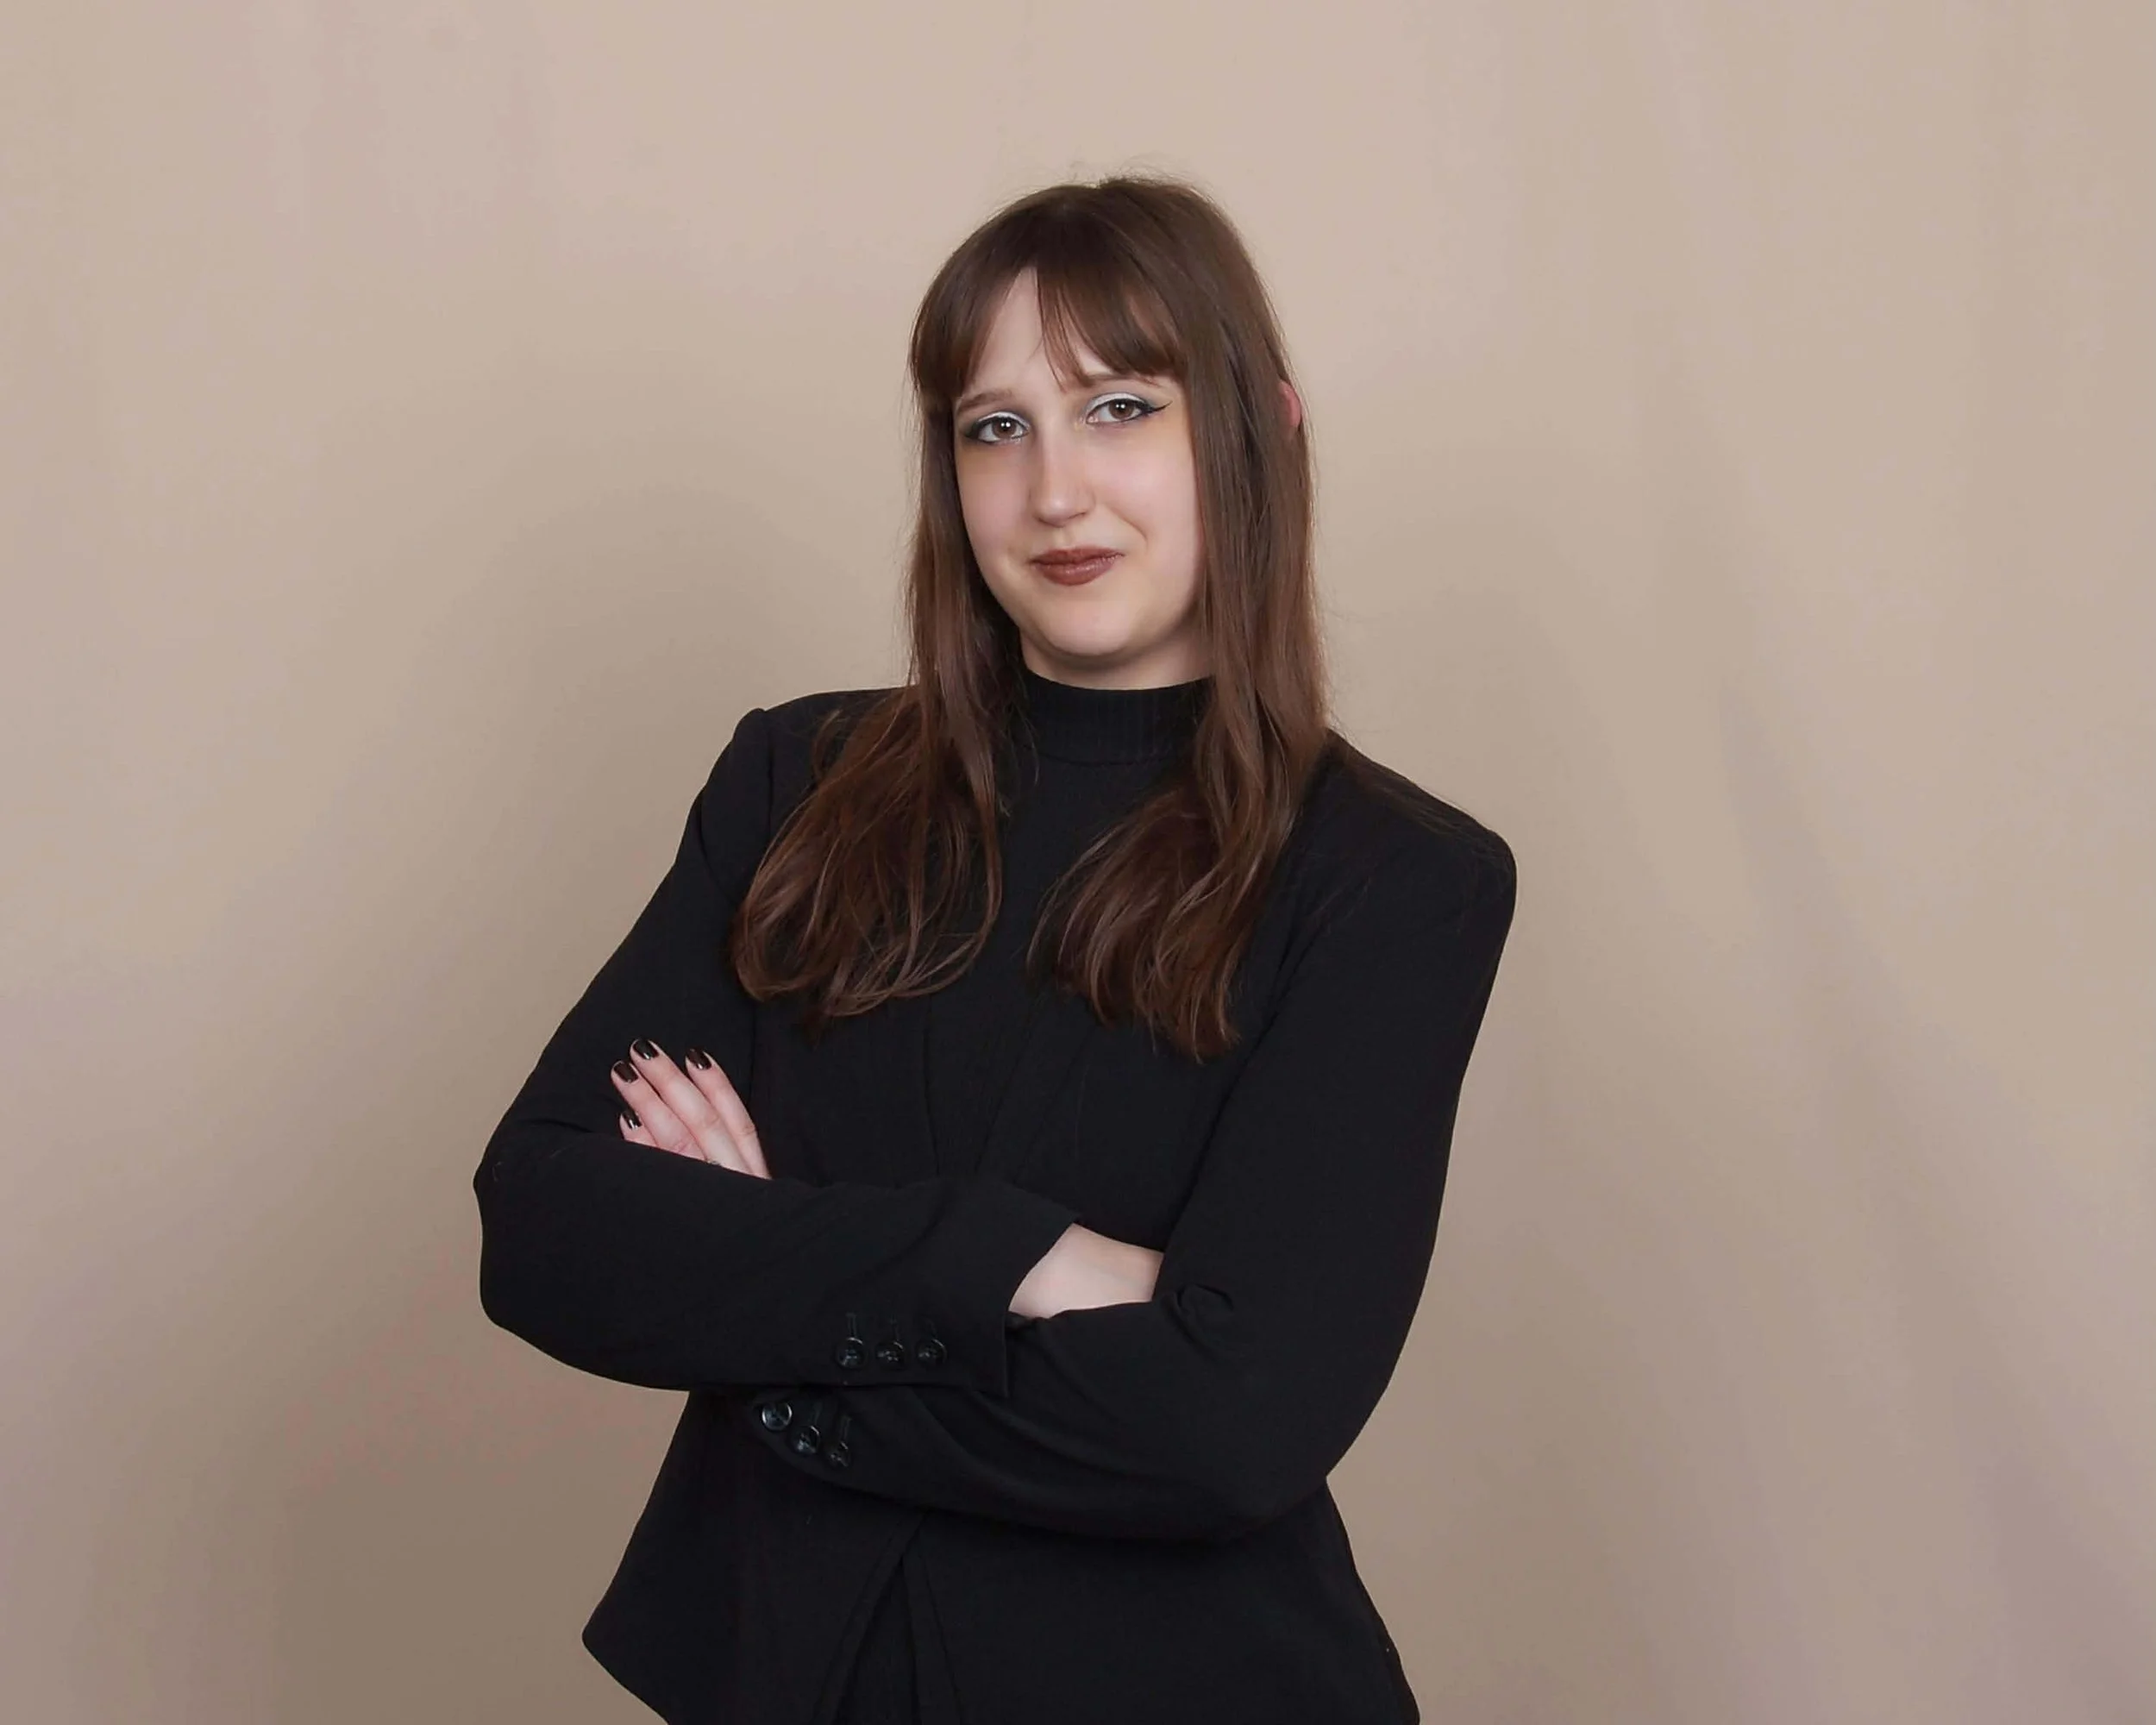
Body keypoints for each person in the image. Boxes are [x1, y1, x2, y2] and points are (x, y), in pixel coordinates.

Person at [473, 172, 1518, 1725]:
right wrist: (1012, 1260)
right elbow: (544, 1227)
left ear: (1260, 431)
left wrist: (773, 1304)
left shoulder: (1395, 881)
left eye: (1119, 409)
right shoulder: (793, 782)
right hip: (781, 1674)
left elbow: (1233, 1424)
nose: (1054, 495)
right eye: (996, 426)